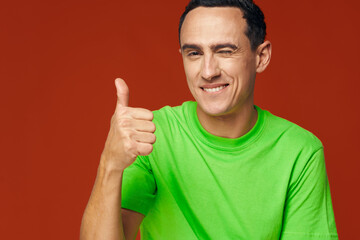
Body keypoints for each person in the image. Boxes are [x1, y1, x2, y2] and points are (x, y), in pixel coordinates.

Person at [80, 0, 338, 239]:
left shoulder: (300, 152)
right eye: (194, 53)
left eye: (225, 51)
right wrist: (110, 164)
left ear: (261, 56)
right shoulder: (151, 135)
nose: (208, 71)